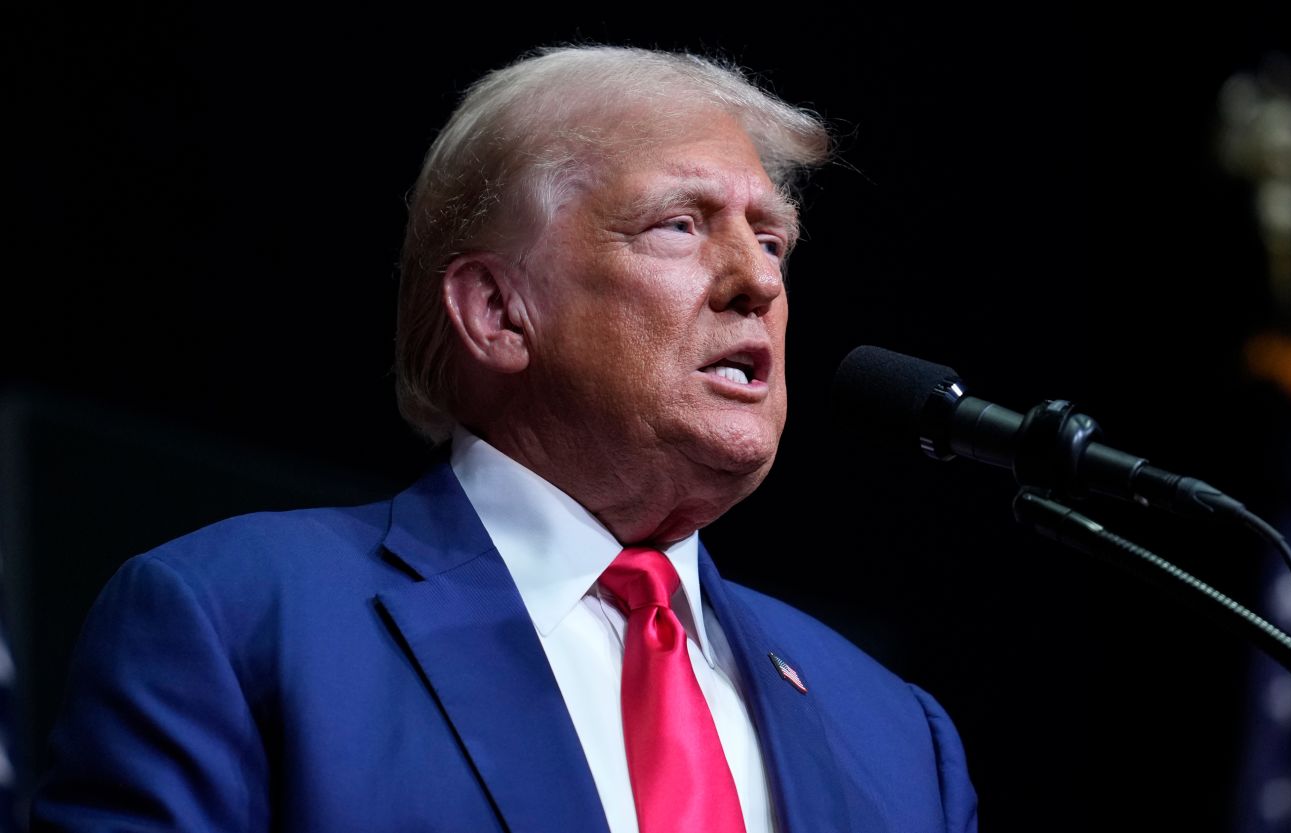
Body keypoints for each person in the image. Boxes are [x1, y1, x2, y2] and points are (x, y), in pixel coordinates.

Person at [32, 46, 978, 832]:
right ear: (497, 311)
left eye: (772, 242)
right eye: (680, 225)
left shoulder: (896, 734)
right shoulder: (237, 621)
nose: (757, 284)